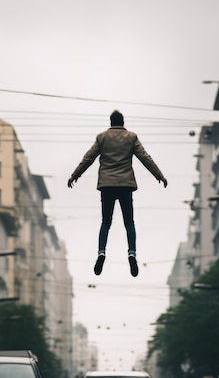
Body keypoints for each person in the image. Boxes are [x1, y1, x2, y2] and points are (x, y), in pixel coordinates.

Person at [67, 110, 167, 277]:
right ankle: (132, 253)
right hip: (125, 185)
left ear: (111, 121)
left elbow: (88, 158)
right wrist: (159, 175)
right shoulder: (131, 137)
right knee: (129, 222)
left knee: (106, 222)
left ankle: (101, 252)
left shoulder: (102, 137)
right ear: (123, 121)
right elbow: (145, 158)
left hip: (107, 185)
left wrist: (75, 175)